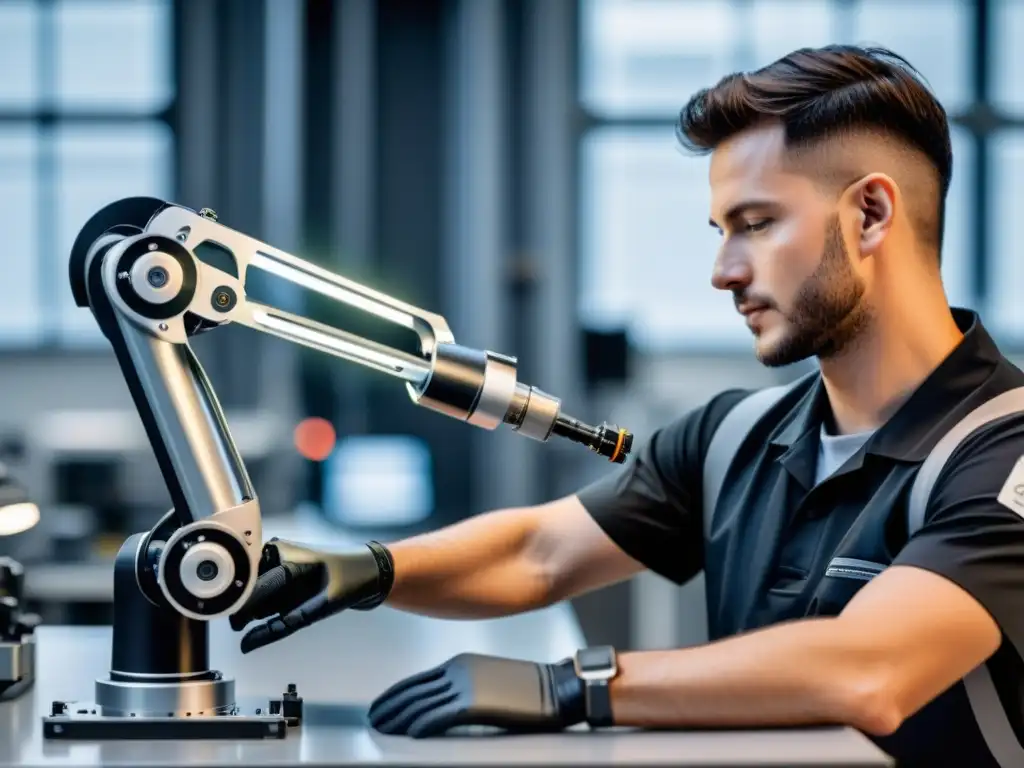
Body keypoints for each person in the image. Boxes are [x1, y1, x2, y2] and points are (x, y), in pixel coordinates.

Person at [229, 45, 1024, 767]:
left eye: (756, 225)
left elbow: (870, 669)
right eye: (721, 230)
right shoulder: (735, 436)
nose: (723, 271)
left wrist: (578, 686)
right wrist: (372, 569)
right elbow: (540, 552)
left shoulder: (1001, 450)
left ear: (871, 215)